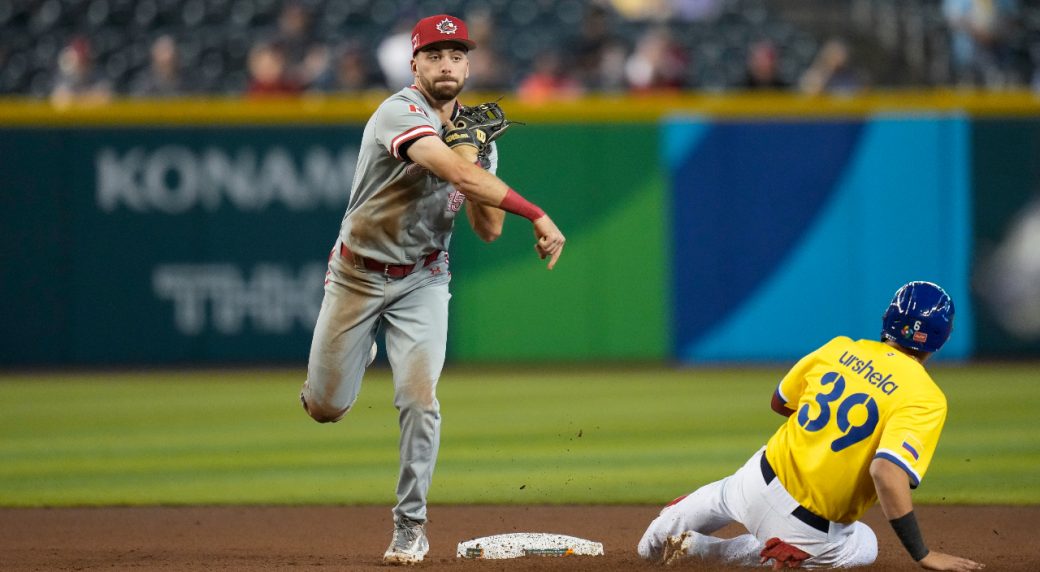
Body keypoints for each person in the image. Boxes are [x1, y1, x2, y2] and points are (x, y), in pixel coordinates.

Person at [298, 13, 566, 566]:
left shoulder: (479, 138)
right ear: (414, 63)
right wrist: (533, 211)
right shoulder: (399, 110)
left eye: (457, 55)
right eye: (435, 55)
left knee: (420, 400)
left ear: (469, 64)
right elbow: (456, 172)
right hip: (356, 273)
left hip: (423, 277)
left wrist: (477, 157)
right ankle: (357, 352)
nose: (447, 65)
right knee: (325, 407)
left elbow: (487, 231)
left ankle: (410, 528)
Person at [638, 281, 985, 571]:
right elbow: (886, 473)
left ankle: (667, 529)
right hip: (803, 529)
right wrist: (922, 555)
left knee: (649, 548)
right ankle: (710, 552)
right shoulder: (925, 396)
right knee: (865, 543)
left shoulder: (840, 349)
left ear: (888, 319)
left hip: (751, 481)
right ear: (943, 336)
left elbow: (780, 403)